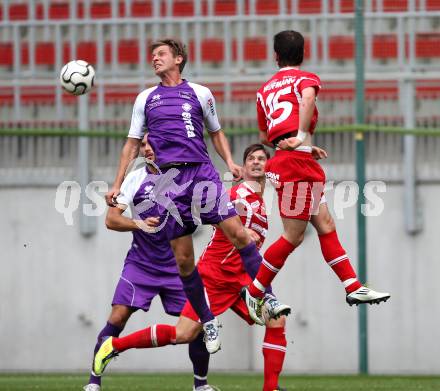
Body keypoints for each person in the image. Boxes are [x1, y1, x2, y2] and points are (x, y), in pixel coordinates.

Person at [105, 38, 290, 343]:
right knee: (183, 260)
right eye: (152, 55)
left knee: (238, 234)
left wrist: (230, 161)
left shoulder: (201, 93)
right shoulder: (145, 99)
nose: (154, 59)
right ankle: (207, 320)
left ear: (178, 59)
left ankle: (266, 296)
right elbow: (131, 143)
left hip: (201, 172)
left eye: (161, 54)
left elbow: (216, 132)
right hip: (169, 180)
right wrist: (116, 182)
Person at [94, 144, 289, 391]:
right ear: (244, 165)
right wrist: (236, 230)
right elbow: (211, 213)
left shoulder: (260, 199)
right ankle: (113, 346)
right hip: (216, 276)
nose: (257, 162)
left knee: (276, 320)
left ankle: (270, 388)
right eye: (251, 158)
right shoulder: (238, 194)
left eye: (262, 158)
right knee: (184, 333)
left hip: (239, 280)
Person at [241, 30, 390, 317]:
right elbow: (307, 100)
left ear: (275, 56)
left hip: (297, 160)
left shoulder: (264, 90)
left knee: (325, 224)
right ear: (303, 53)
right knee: (292, 236)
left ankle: (352, 286)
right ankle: (256, 290)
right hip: (295, 166)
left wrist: (303, 147)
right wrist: (300, 137)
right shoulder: (306, 79)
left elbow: (265, 134)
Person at [83, 136, 216, 391]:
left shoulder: (184, 177)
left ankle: (201, 385)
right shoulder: (135, 177)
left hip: (177, 267)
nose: (146, 148)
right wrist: (139, 224)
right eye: (143, 144)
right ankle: (93, 381)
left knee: (195, 324)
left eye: (151, 143)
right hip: (141, 264)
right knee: (118, 317)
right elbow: (111, 220)